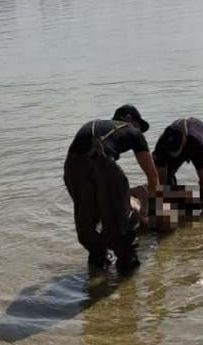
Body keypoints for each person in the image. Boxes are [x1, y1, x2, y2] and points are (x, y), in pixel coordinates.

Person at [64, 104, 160, 271]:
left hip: (72, 167)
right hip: (101, 162)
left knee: (87, 223)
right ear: (130, 119)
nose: (140, 131)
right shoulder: (132, 130)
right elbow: (152, 177)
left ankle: (97, 266)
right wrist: (150, 212)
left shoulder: (97, 126)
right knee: (121, 227)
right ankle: (127, 274)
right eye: (139, 125)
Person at [152, 117, 203, 205]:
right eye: (171, 152)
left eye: (176, 151)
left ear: (183, 140)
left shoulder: (197, 145)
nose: (173, 154)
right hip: (183, 144)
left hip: (202, 141)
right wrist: (163, 195)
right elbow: (160, 177)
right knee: (166, 178)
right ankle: (173, 204)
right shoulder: (161, 146)